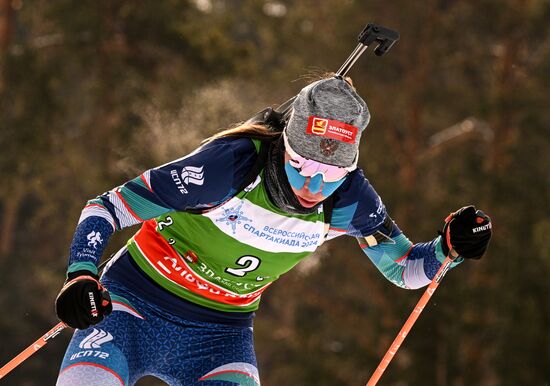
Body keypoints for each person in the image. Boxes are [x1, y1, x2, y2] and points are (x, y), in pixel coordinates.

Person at [54, 76, 492, 386]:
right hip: (132, 305)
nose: (315, 185)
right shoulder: (227, 168)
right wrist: (82, 273)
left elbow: (406, 270)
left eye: (334, 172)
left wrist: (448, 248)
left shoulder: (350, 201)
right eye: (304, 166)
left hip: (219, 335)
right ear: (285, 144)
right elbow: (107, 207)